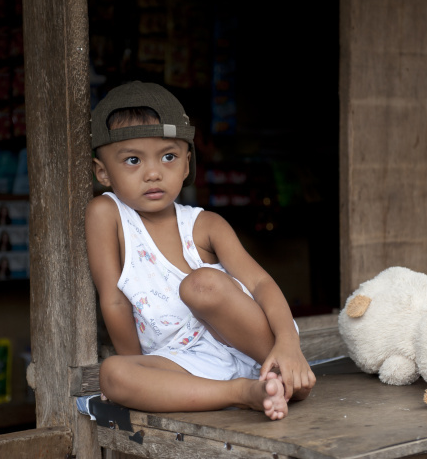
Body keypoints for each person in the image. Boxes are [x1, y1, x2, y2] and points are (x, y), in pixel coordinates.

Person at [85, 81, 315, 421]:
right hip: (183, 364)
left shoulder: (205, 224)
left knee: (201, 285)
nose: (153, 173)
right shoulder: (106, 214)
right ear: (103, 172)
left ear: (187, 164)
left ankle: (289, 374)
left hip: (252, 345)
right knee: (113, 374)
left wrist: (287, 343)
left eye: (168, 157)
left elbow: (261, 284)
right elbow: (114, 299)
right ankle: (244, 393)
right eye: (133, 160)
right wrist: (138, 369)